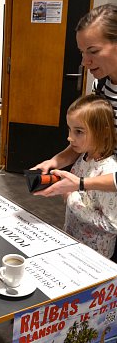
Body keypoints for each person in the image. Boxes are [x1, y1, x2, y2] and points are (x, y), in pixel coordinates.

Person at [33, 4, 117, 196]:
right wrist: (55, 162)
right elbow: (91, 138)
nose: (84, 61)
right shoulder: (101, 85)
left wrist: (82, 183)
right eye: (82, 52)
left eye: (93, 51)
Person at [63, 94, 117, 259]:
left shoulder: (108, 170)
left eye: (78, 131)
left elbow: (111, 225)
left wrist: (70, 199)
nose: (70, 137)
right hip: (74, 241)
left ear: (103, 132)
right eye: (70, 130)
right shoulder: (84, 157)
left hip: (95, 256)